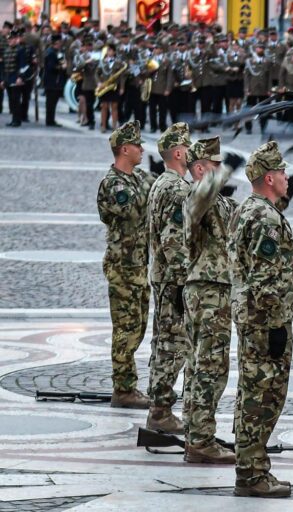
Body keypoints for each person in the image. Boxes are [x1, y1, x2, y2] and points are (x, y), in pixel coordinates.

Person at [229, 141, 293, 497]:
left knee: (254, 394)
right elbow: (265, 278)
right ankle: (251, 474)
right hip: (265, 324)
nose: (286, 177)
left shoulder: (252, 209)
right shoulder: (263, 217)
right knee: (262, 398)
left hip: (255, 320)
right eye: (281, 172)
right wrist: (276, 324)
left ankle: (254, 468)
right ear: (268, 177)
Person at [182, 137, 240, 464]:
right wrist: (225, 171)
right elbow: (201, 195)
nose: (221, 171)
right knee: (211, 366)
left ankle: (196, 431)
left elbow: (244, 218)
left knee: (200, 363)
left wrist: (287, 196)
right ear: (201, 168)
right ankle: (201, 440)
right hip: (208, 289)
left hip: (214, 288)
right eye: (214, 166)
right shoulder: (197, 195)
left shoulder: (217, 201)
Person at [96, 121, 155, 409]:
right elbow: (133, 209)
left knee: (138, 327)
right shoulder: (114, 184)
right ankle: (123, 388)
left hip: (139, 265)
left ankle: (128, 384)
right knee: (125, 329)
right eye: (137, 145)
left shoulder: (137, 177)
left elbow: (159, 193)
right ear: (124, 149)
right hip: (122, 267)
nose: (142, 149)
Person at [146, 123, 192, 434]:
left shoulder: (161, 183)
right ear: (178, 152)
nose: (192, 153)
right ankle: (160, 410)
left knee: (163, 341)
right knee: (173, 345)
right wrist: (182, 282)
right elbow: (173, 241)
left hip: (161, 277)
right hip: (172, 281)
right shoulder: (176, 189)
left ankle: (158, 405)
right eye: (188, 149)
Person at [2, 29, 28, 127]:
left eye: (12, 39)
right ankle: (13, 119)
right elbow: (5, 66)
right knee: (11, 101)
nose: (10, 41)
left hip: (16, 78)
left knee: (16, 100)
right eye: (9, 39)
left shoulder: (20, 50)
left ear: (16, 39)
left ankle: (17, 120)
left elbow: (23, 65)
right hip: (8, 78)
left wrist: (20, 77)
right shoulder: (7, 50)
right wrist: (3, 80)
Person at [43, 33, 67, 127]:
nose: (60, 44)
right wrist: (62, 67)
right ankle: (50, 120)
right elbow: (51, 67)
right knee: (51, 102)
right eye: (59, 42)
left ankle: (50, 119)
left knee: (52, 102)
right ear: (55, 43)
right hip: (52, 81)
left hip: (54, 81)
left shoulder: (55, 52)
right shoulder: (51, 53)